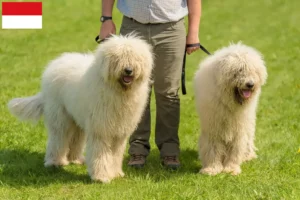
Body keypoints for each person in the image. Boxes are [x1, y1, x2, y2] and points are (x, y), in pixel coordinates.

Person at [98, 0, 202, 170]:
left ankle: (169, 150)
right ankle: (137, 149)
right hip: (132, 28)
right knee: (133, 92)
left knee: (168, 93)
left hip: (170, 29)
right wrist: (106, 19)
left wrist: (193, 32)